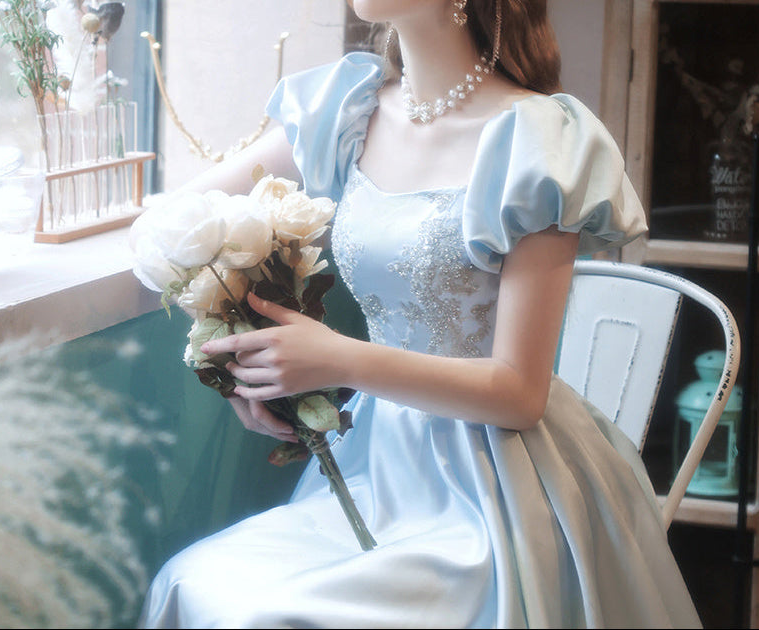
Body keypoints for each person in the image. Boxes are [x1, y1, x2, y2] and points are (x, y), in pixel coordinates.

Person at [139, 1, 702, 627]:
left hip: (490, 487)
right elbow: (172, 222)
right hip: (376, 462)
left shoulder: (539, 140)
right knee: (190, 581)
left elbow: (519, 393)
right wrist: (247, 361)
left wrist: (335, 359)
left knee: (266, 614)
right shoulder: (348, 108)